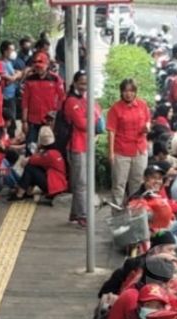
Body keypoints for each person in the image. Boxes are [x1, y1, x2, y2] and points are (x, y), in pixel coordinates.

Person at [107, 78, 152, 206]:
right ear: (121, 92)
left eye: (131, 91)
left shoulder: (142, 105)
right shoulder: (115, 109)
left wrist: (147, 127)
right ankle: (116, 218)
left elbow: (148, 120)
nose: (129, 94)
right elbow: (111, 131)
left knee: (137, 184)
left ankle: (135, 217)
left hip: (140, 149)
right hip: (122, 151)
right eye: (126, 91)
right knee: (118, 185)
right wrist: (111, 153)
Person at [64, 71, 100, 227]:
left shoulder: (87, 100)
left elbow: (96, 117)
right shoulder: (72, 101)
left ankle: (75, 213)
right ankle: (83, 215)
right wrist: (93, 115)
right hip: (76, 145)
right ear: (76, 83)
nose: (85, 86)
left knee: (83, 181)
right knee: (81, 182)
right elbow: (83, 124)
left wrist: (92, 115)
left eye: (87, 83)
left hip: (86, 144)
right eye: (82, 83)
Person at [12, 125, 68, 201]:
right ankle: (26, 190)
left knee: (30, 168)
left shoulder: (48, 155)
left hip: (53, 186)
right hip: (59, 184)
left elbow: (31, 160)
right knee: (34, 169)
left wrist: (37, 149)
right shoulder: (56, 152)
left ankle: (20, 193)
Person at [21, 52, 64, 145]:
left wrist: (55, 114)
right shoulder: (30, 79)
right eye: (36, 66)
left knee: (48, 146)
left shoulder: (55, 79)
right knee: (31, 146)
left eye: (40, 66)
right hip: (32, 120)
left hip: (49, 120)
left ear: (47, 65)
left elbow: (62, 98)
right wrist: (24, 121)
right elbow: (25, 101)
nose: (38, 68)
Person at [0, 40, 25, 139]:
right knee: (9, 121)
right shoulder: (1, 64)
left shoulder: (8, 63)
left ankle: (11, 140)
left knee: (12, 122)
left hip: (11, 95)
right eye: (11, 50)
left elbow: (19, 73)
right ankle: (8, 141)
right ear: (5, 51)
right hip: (5, 98)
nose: (14, 52)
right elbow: (11, 78)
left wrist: (15, 75)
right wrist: (15, 76)